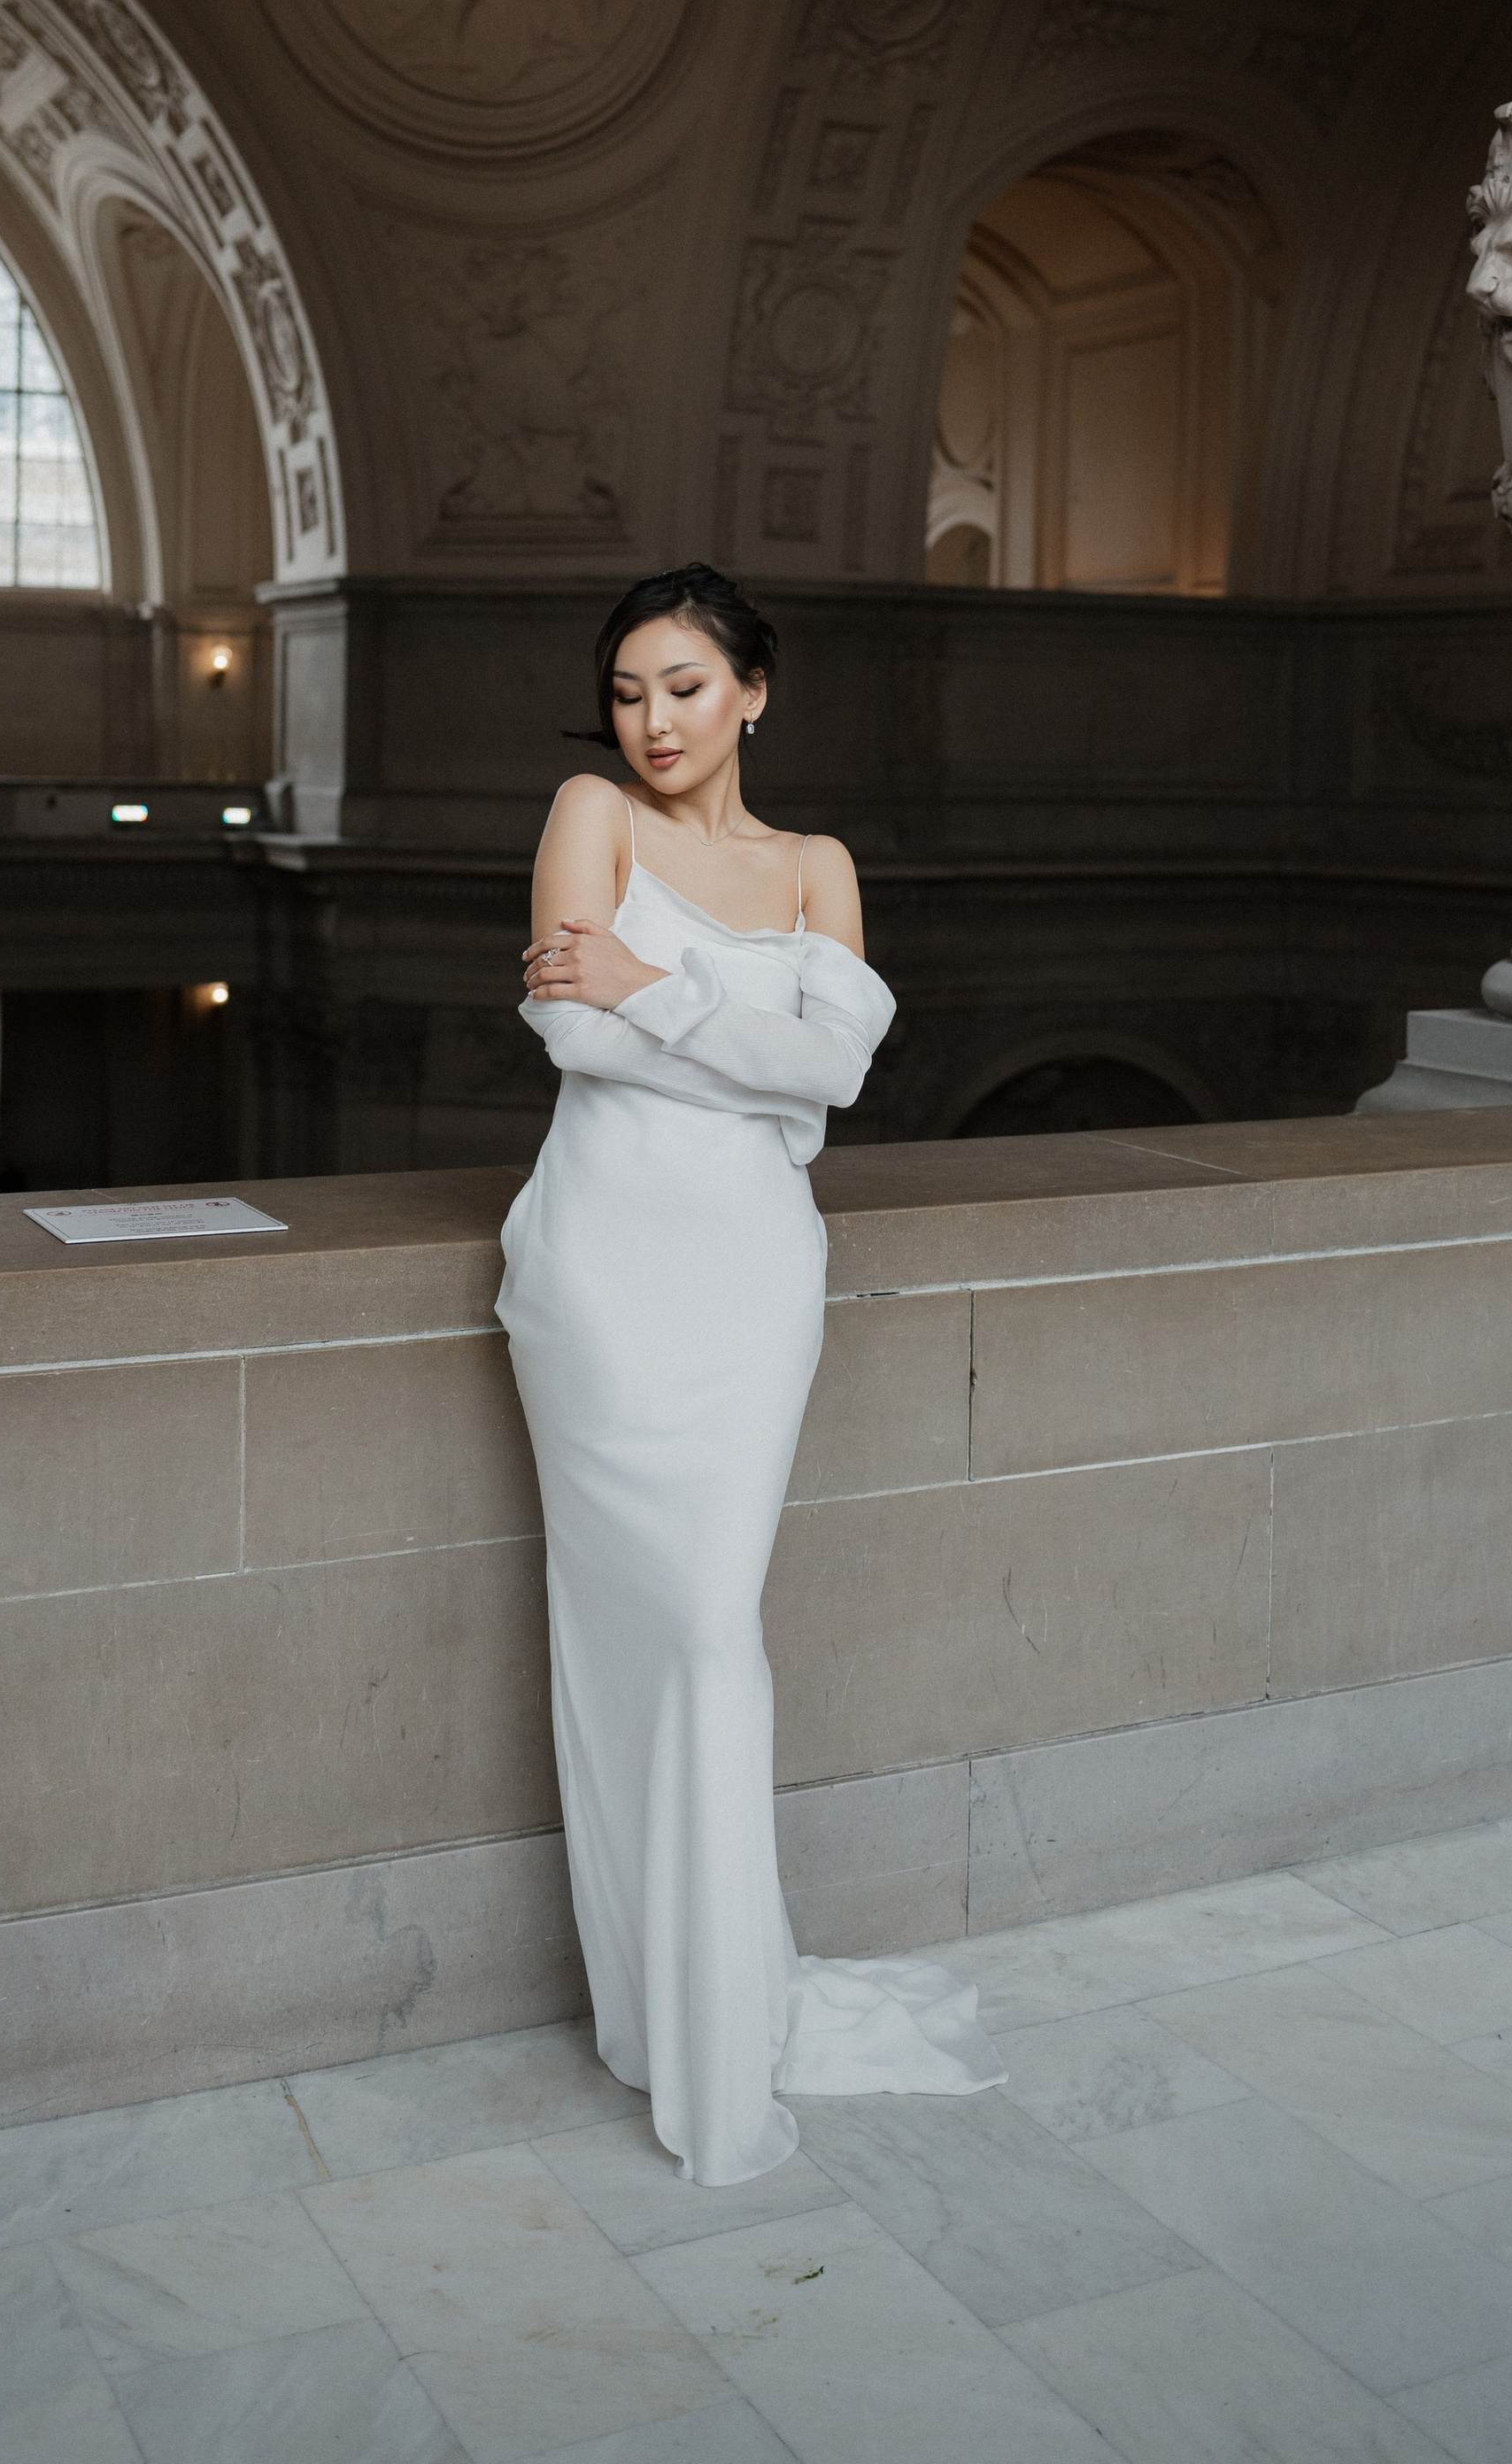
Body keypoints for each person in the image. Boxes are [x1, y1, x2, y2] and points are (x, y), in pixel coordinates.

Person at [498, 563, 1002, 2186]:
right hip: (601, 1277)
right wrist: (736, 1038)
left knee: (714, 1625)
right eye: (628, 691)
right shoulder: (590, 813)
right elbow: (571, 1039)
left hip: (753, 1283)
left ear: (753, 693)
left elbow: (835, 1073)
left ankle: (717, 2020)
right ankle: (664, 2019)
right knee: (633, 1634)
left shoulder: (814, 865)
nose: (652, 721)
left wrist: (649, 986)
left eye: (686, 687)